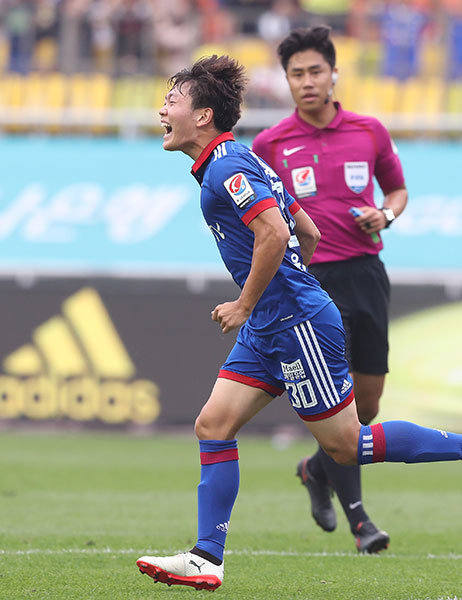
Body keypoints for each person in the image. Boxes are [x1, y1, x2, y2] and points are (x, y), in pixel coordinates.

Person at [136, 54, 461, 592]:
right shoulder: (240, 160)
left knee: (345, 445)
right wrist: (275, 293)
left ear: (203, 116)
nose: (161, 111)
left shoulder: (228, 167)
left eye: (172, 101)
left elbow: (276, 235)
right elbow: (304, 232)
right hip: (273, 322)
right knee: (213, 427)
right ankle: (206, 557)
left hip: (292, 323)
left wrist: (247, 302)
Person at [252, 25, 408, 554]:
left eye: (315, 70)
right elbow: (260, 216)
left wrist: (385, 214)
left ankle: (314, 470)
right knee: (339, 408)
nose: (307, 81)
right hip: (310, 284)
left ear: (334, 73)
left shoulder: (369, 130)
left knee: (366, 409)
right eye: (296, 73)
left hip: (366, 274)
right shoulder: (269, 144)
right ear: (287, 80)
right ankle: (362, 522)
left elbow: (399, 189)